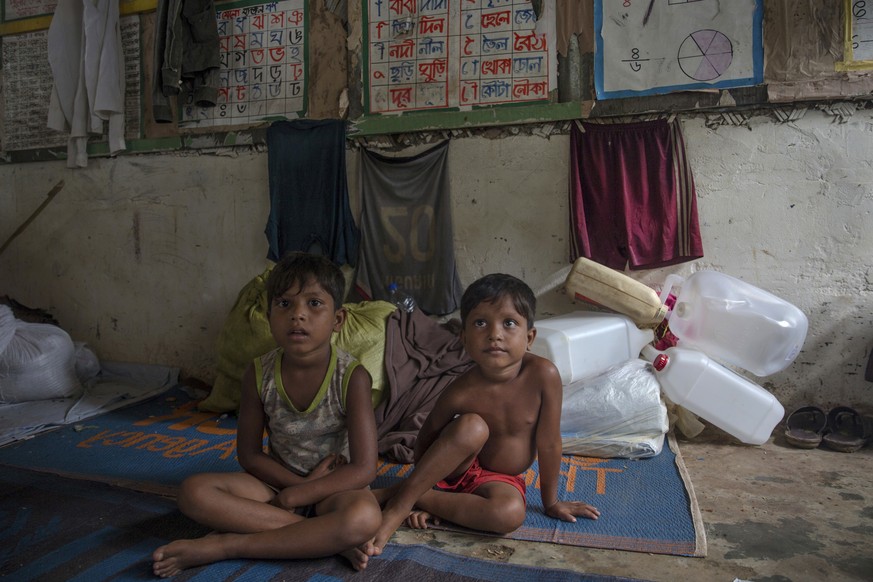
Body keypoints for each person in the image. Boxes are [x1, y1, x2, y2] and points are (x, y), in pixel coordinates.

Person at [153, 253, 381, 577]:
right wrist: (292, 488)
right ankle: (322, 537)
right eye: (284, 304)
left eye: (314, 303)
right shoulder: (259, 373)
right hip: (274, 483)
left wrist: (302, 493)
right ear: (269, 314)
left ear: (338, 320)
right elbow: (248, 454)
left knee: (363, 518)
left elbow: (363, 469)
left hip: (336, 489)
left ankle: (225, 545)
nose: (298, 315)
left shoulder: (352, 377)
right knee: (194, 492)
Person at [368, 273, 600, 553]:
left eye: (509, 323)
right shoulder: (461, 390)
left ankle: (414, 495)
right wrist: (433, 475)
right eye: (480, 323)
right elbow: (425, 441)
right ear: (464, 337)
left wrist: (551, 502)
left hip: (499, 481)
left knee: (510, 515)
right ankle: (399, 507)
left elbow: (549, 442)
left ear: (529, 337)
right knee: (472, 427)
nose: (495, 334)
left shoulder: (543, 376)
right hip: (456, 470)